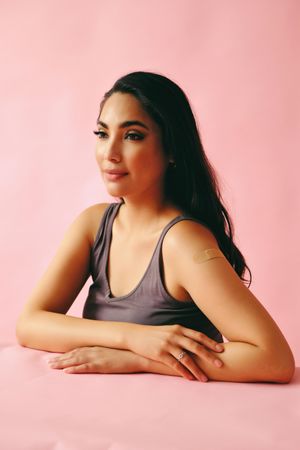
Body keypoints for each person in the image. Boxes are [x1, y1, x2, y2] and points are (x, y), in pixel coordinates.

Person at [16, 71, 295, 383]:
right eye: (102, 134)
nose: (110, 153)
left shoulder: (183, 242)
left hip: (171, 421)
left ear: (172, 149)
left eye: (133, 135)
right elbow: (30, 325)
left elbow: (274, 359)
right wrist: (133, 338)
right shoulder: (93, 225)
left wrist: (137, 360)